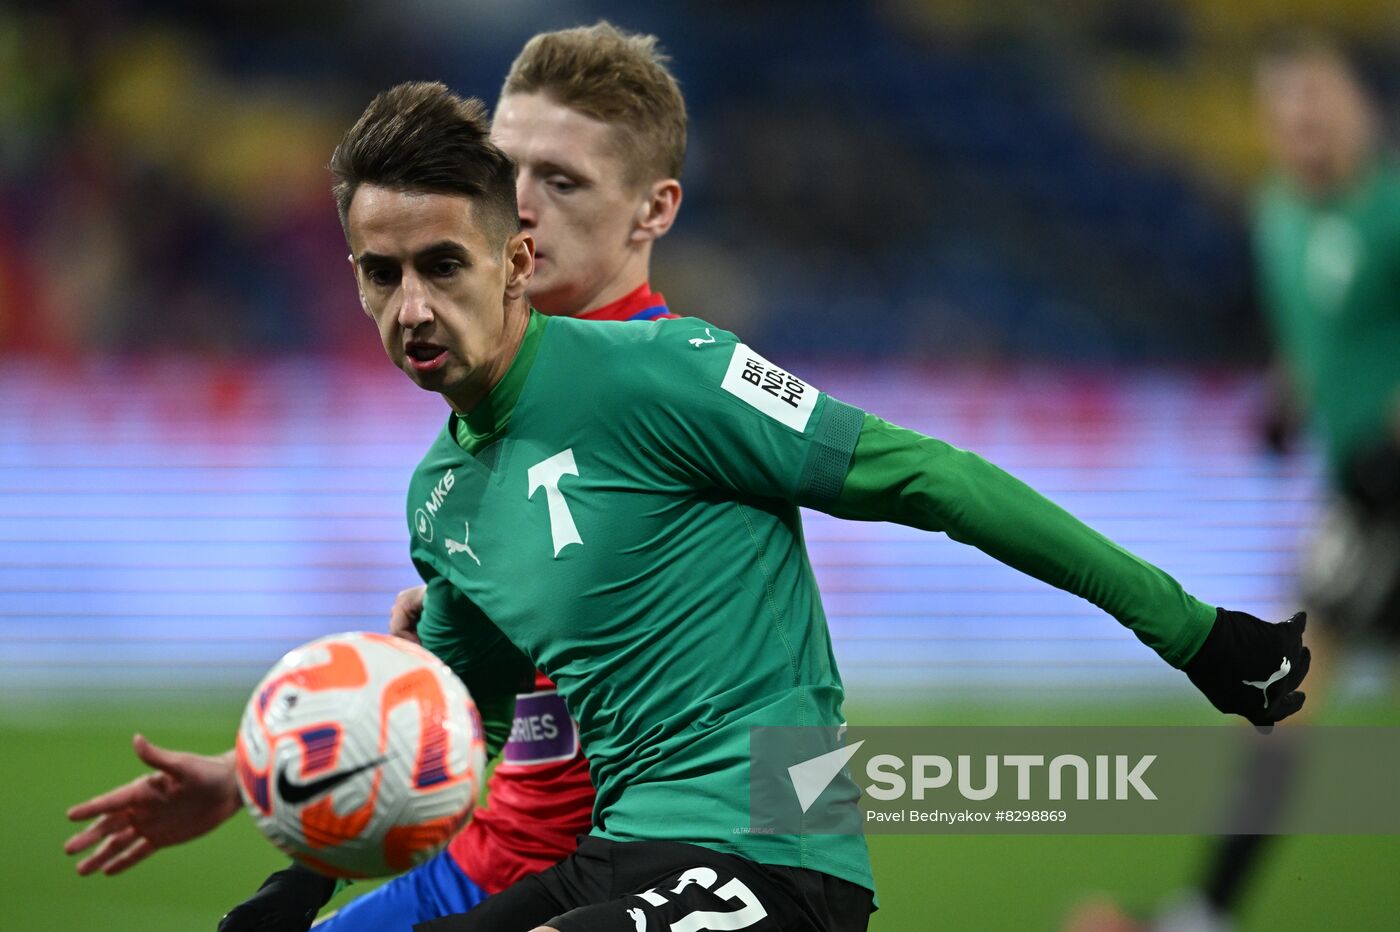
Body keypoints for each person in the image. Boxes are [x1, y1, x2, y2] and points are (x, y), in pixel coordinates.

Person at [293, 80, 1305, 932]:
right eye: (381, 274)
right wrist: (286, 878)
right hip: (616, 857)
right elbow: (442, 735)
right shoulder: (439, 496)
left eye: (440, 265)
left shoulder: (663, 369)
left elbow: (930, 476)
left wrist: (1190, 629)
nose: (411, 307)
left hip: (774, 854)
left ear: (512, 261)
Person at [63, 22, 687, 931]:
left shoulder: (683, 395)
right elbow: (506, 696)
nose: (515, 205)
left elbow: (779, 692)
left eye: (561, 182)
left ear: (652, 211)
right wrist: (257, 778)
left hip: (600, 881)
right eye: (502, 171)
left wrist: (778, 881)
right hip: (495, 858)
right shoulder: (490, 417)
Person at [1066, 33, 1400, 932]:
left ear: (1362, 110)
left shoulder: (1395, 209)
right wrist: (1290, 401)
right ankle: (1205, 913)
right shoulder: (1280, 219)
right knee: (1282, 694)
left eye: (1318, 104)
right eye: (1284, 112)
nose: (1303, 127)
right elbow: (1320, 337)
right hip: (1362, 501)